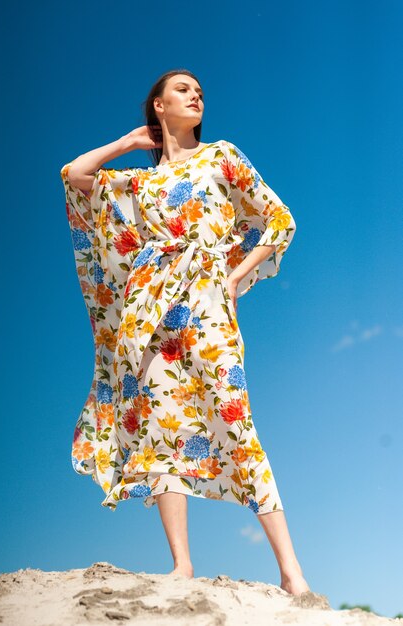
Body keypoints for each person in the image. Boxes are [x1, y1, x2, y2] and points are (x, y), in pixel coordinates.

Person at [60, 68, 310, 595]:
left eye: (199, 90)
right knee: (161, 429)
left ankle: (291, 572)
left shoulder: (222, 155)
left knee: (232, 417)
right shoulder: (143, 181)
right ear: (158, 106)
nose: (196, 94)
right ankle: (181, 565)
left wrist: (236, 275)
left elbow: (280, 219)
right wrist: (130, 142)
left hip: (209, 301)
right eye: (182, 88)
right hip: (150, 311)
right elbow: (75, 174)